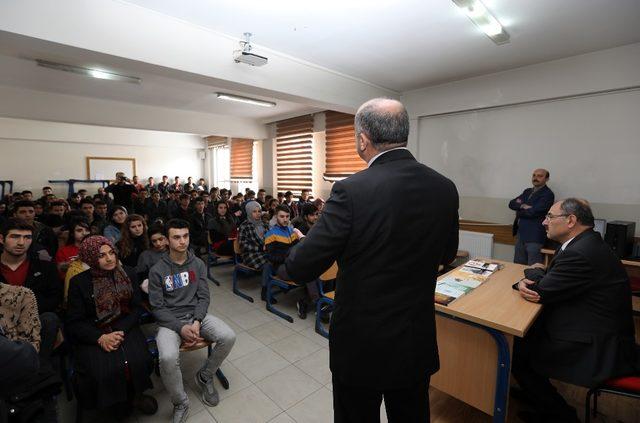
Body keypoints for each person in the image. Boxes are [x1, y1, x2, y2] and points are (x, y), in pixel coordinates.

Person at [277, 98, 459, 422]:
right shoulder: (444, 187)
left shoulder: (350, 190)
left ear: (363, 139)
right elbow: (446, 255)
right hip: (415, 337)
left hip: (363, 344)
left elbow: (302, 265)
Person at [512, 198, 640, 423]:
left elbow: (543, 290)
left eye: (550, 217)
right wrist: (536, 276)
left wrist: (529, 276)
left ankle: (560, 416)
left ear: (571, 220)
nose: (544, 222)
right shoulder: (584, 243)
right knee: (523, 339)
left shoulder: (580, 252)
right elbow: (552, 278)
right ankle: (538, 397)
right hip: (594, 328)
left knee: (517, 352)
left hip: (597, 345)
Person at [148, 219, 236, 422]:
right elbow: (157, 308)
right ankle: (181, 402)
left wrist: (196, 322)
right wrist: (180, 328)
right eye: (176, 237)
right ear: (167, 240)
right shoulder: (157, 271)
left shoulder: (197, 264)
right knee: (168, 358)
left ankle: (204, 375)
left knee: (228, 336)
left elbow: (204, 297)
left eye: (185, 236)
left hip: (196, 317)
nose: (182, 241)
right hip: (170, 322)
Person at [66, 236, 157, 417]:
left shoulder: (128, 273)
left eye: (111, 253)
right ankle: (113, 404)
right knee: (103, 370)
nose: (109, 259)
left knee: (140, 360)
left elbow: (137, 307)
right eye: (101, 255)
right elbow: (74, 322)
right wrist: (100, 338)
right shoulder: (79, 282)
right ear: (91, 258)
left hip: (124, 325)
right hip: (95, 330)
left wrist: (121, 329)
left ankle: (135, 395)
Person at [508, 169, 554, 265]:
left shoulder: (548, 194)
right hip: (520, 234)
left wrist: (519, 212)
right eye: (534, 175)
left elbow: (534, 212)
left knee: (533, 268)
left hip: (535, 236)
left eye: (540, 176)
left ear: (547, 179)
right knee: (517, 265)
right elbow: (512, 203)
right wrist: (523, 206)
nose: (535, 178)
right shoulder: (527, 191)